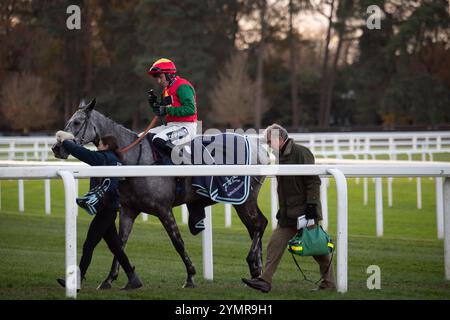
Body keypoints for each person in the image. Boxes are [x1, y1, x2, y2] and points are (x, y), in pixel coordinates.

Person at [242, 124, 336, 293]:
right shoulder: (279, 157)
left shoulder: (301, 153)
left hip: (306, 212)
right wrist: (282, 210)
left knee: (318, 249)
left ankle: (329, 283)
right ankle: (265, 280)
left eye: (270, 142)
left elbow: (313, 181)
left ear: (280, 138)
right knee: (274, 244)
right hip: (288, 214)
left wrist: (312, 207)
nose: (269, 146)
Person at [55, 131, 142, 291]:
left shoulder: (104, 158)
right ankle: (133, 277)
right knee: (115, 247)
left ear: (106, 146)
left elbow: (81, 153)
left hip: (106, 209)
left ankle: (76, 283)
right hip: (110, 208)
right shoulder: (115, 160)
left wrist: (66, 141)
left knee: (88, 245)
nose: (97, 146)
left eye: (100, 144)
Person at [146, 58, 198, 163]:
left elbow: (191, 109)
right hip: (171, 126)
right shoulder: (167, 89)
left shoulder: (183, 86)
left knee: (158, 140)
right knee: (145, 137)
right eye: (157, 78)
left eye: (160, 77)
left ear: (169, 75)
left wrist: (167, 110)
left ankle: (187, 164)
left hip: (186, 127)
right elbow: (162, 111)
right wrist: (154, 104)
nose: (159, 81)